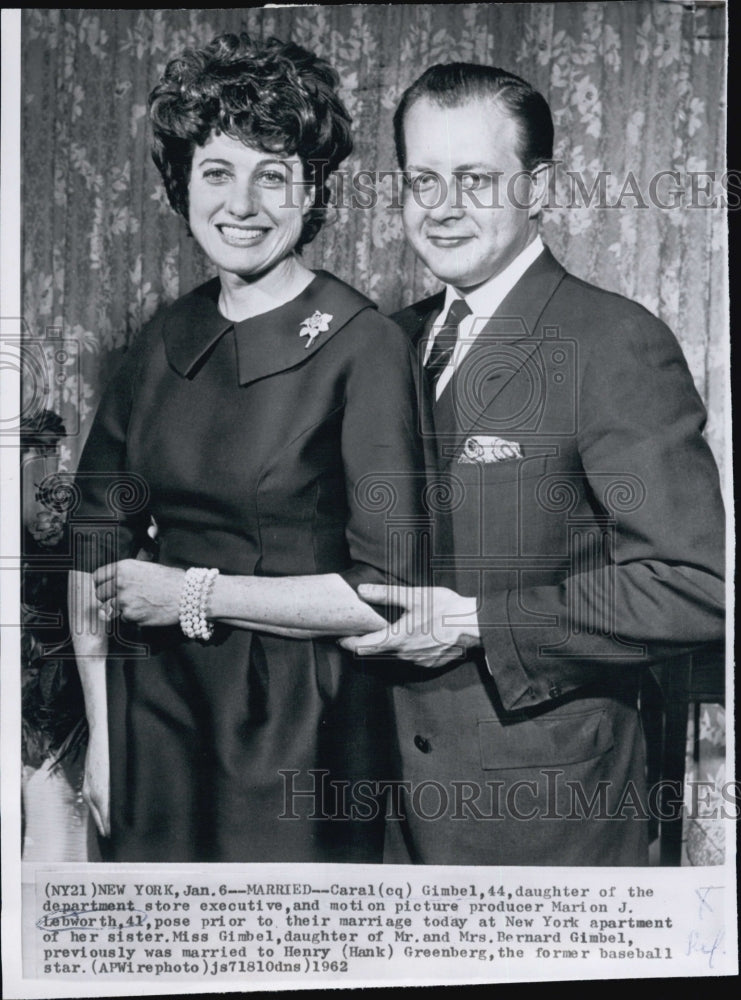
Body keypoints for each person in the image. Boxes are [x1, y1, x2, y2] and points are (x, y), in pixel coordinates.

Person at [342, 63, 726, 865]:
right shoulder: (383, 341)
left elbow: (694, 588)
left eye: (476, 180)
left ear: (538, 187)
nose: (443, 207)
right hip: (381, 810)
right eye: (422, 181)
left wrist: (477, 623)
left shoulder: (612, 341)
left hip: (544, 815)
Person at [68, 32, 428, 863]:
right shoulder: (163, 339)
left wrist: (191, 593)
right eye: (217, 172)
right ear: (182, 184)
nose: (242, 203)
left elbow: (389, 597)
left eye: (273, 175)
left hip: (304, 730)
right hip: (151, 719)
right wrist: (103, 733)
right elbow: (92, 542)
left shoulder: (363, 344)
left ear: (312, 191)